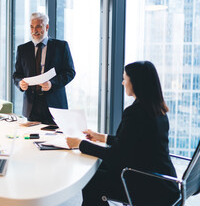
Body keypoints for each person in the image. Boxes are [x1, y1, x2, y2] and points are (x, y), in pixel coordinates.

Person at [66, 61, 179, 205]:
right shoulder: (157, 110)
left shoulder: (135, 112)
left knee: (92, 181)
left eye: (125, 78)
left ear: (135, 83)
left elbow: (116, 156)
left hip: (146, 184)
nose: (122, 82)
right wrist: (102, 137)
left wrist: (80, 144)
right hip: (163, 181)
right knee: (98, 170)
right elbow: (134, 141)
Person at [13, 12, 75, 125]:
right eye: (31, 27)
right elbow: (17, 75)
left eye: (38, 26)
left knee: (55, 140)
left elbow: (70, 72)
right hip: (32, 106)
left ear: (46, 27)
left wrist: (52, 83)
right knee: (32, 140)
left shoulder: (61, 47)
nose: (34, 31)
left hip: (55, 105)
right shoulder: (23, 49)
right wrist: (20, 83)